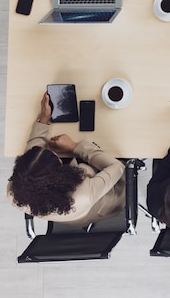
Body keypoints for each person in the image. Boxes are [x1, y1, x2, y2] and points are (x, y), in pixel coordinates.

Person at [7, 92, 125, 227]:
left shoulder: (14, 193)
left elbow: (32, 162)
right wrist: (75, 147)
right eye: (54, 155)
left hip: (66, 212)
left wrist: (44, 119)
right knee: (94, 163)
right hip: (102, 202)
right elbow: (117, 167)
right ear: (59, 174)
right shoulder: (82, 193)